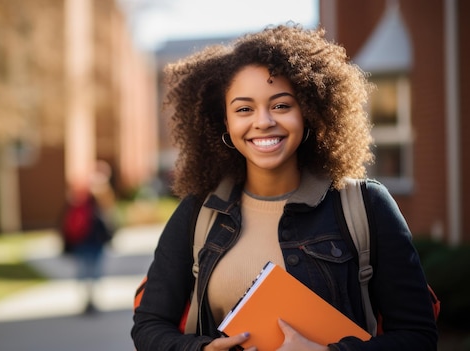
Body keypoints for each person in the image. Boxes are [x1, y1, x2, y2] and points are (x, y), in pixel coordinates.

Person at [131, 24, 438, 351]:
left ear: (307, 111)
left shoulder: (366, 206)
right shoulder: (199, 213)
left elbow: (418, 336)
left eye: (280, 105)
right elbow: (149, 326)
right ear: (225, 122)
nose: (263, 121)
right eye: (244, 109)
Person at [61, 179, 113, 314]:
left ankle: (88, 300)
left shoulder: (74, 205)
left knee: (84, 273)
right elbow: (107, 226)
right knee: (94, 273)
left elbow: (65, 227)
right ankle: (91, 299)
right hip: (95, 245)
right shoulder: (98, 207)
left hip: (81, 245)